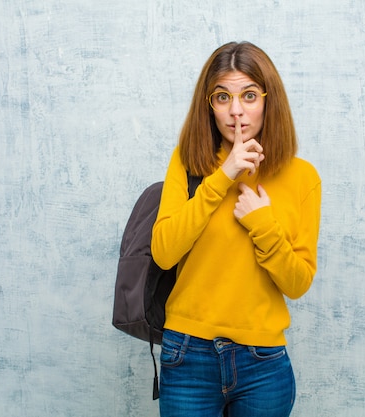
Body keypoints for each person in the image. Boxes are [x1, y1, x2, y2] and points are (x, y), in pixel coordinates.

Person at [151, 41, 321, 417]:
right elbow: (164, 252)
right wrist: (223, 176)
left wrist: (262, 223)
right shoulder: (188, 160)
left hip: (263, 363)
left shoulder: (302, 177)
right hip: (187, 355)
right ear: (208, 105)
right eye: (222, 97)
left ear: (268, 99)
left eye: (248, 95)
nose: (236, 111)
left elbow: (297, 284)